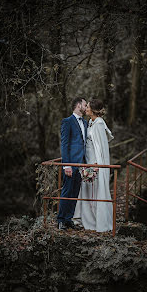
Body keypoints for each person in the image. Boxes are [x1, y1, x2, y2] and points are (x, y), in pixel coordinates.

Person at [74, 99, 114, 232]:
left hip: (95, 163)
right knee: (87, 191)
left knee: (96, 191)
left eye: (88, 107)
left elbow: (101, 147)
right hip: (88, 161)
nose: (86, 109)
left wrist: (97, 164)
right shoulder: (90, 122)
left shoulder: (99, 124)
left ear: (93, 110)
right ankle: (88, 220)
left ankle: (99, 222)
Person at [57, 97, 88, 230]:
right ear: (78, 105)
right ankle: (61, 220)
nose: (86, 108)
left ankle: (69, 219)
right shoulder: (67, 122)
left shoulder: (86, 123)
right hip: (71, 163)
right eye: (85, 105)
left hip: (81, 165)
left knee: (75, 192)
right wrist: (66, 165)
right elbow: (64, 145)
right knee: (67, 191)